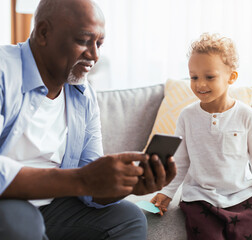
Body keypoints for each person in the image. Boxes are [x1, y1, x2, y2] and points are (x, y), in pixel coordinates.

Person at [0, 0, 176, 239]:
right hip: (7, 202)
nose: (94, 55)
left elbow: (90, 186)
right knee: (20, 223)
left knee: (128, 218)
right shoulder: (4, 72)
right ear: (43, 33)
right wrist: (80, 180)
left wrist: (128, 184)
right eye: (83, 41)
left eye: (99, 43)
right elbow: (82, 179)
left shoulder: (83, 94)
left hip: (53, 206)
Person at [151, 33, 252, 240]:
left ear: (231, 77)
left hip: (242, 197)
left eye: (210, 77)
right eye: (194, 77)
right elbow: (180, 162)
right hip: (200, 198)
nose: (200, 84)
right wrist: (167, 192)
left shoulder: (247, 116)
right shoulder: (187, 116)